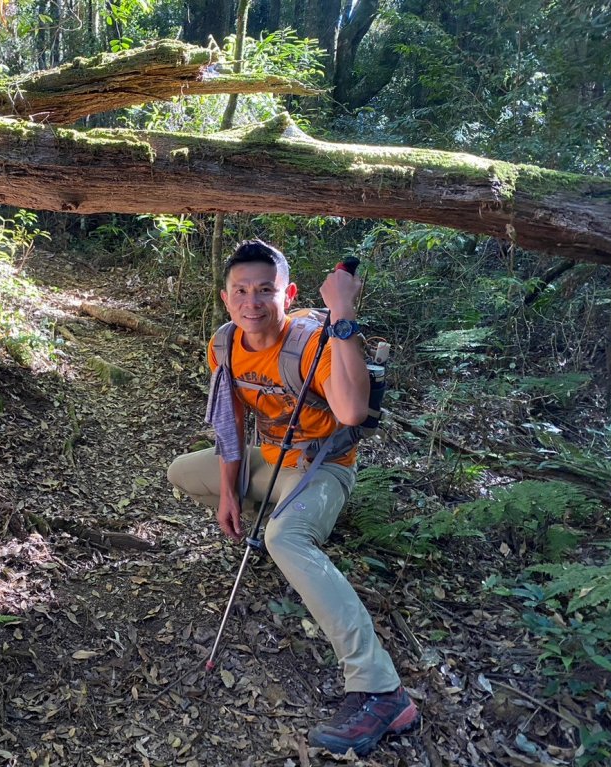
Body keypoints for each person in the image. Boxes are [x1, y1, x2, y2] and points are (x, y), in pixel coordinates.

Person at [167, 240, 419, 756]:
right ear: (225, 297)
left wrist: (343, 315)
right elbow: (229, 425)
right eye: (241, 291)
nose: (252, 302)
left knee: (287, 537)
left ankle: (380, 689)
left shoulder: (312, 341)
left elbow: (351, 412)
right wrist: (231, 491)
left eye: (265, 290)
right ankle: (274, 525)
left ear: (289, 293)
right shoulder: (225, 343)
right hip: (273, 462)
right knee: (183, 471)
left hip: (322, 468)